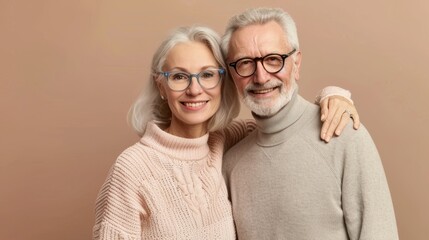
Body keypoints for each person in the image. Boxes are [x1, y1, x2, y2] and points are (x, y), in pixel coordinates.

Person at [92, 25, 358, 239]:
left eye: (207, 75)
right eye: (179, 76)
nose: (194, 90)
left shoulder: (224, 141)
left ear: (223, 83)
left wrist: (334, 95)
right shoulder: (132, 169)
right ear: (161, 86)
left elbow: (285, 123)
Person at [221, 7, 398, 240]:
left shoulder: (344, 137)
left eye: (274, 59)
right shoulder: (230, 165)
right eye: (245, 63)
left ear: (296, 64)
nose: (261, 77)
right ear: (232, 74)